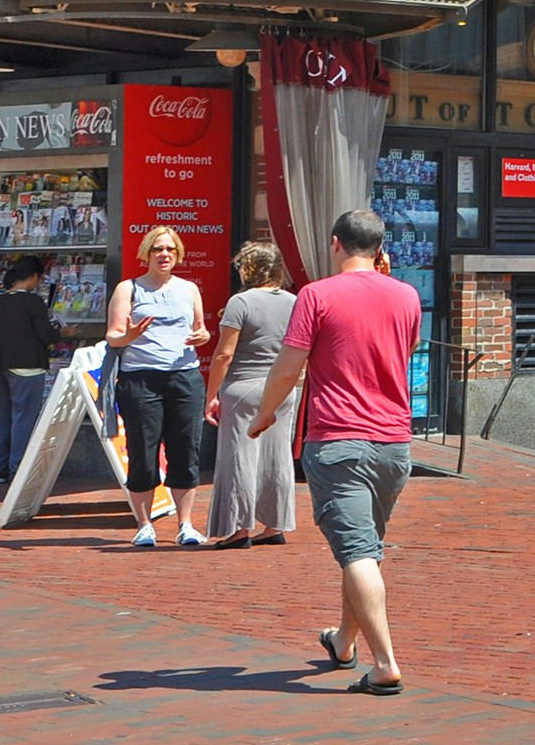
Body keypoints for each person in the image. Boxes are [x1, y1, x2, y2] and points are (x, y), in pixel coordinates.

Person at [251, 208, 423, 697]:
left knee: (357, 553)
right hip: (393, 442)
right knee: (363, 548)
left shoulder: (316, 295)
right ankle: (344, 641)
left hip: (338, 439)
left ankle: (386, 663)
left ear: (334, 244)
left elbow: (288, 367)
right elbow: (401, 351)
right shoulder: (407, 295)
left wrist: (266, 414)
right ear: (379, 247)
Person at [105, 225, 214, 548]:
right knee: (142, 450)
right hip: (141, 378)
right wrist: (130, 336)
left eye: (170, 249)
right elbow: (113, 336)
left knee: (186, 449)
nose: (164, 255)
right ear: (146, 254)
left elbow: (201, 329)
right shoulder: (129, 289)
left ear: (177, 254)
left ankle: (186, 525)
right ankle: (144, 524)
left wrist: (204, 336)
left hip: (184, 377)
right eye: (157, 249)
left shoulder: (188, 288)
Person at [206, 240, 298, 547]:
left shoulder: (240, 303)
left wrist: (212, 395)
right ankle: (275, 525)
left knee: (239, 457)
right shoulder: (294, 301)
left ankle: (238, 528)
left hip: (244, 387)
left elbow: (223, 355)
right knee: (277, 456)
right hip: (283, 388)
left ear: (249, 268)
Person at [0, 255, 66, 484]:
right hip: (27, 367)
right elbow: (46, 335)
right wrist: (65, 333)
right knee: (23, 419)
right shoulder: (33, 302)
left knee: (0, 419)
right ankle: (19, 469)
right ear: (33, 277)